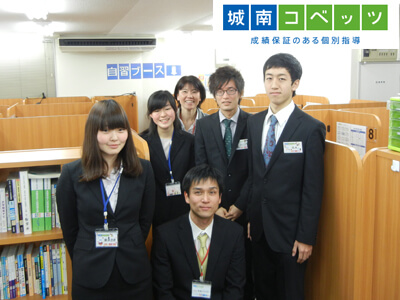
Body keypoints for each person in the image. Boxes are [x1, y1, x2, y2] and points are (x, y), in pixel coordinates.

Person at [56, 99, 155, 299]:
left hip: (134, 271)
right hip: (90, 273)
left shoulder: (143, 170)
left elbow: (144, 221)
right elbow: (70, 229)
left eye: (120, 129)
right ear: (93, 133)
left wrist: (130, 242)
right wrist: (84, 256)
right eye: (106, 131)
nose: (114, 138)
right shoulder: (71, 173)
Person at [247, 53, 326, 300]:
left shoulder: (310, 128)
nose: (274, 85)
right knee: (263, 291)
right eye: (269, 78)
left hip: (291, 235)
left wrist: (305, 237)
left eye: (282, 78)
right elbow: (254, 175)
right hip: (259, 230)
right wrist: (251, 218)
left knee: (290, 294)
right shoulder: (255, 122)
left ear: (295, 84)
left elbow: (313, 189)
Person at [195, 65, 254, 299]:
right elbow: (201, 167)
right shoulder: (204, 126)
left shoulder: (254, 123)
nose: (226, 96)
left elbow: (256, 171)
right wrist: (215, 204)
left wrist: (241, 205)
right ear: (214, 96)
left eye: (231, 90)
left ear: (240, 92)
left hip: (245, 209)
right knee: (218, 263)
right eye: (220, 92)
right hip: (215, 209)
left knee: (246, 267)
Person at [151, 164, 245, 300]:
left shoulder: (234, 234)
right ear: (186, 196)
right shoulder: (166, 235)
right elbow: (163, 290)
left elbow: (235, 288)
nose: (205, 199)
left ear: (219, 198)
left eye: (212, 192)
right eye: (198, 192)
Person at [141, 90, 195, 228]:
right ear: (150, 115)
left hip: (183, 207)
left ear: (175, 110)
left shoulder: (190, 141)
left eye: (167, 109)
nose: (163, 115)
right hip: (154, 209)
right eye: (157, 110)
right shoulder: (142, 143)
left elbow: (194, 173)